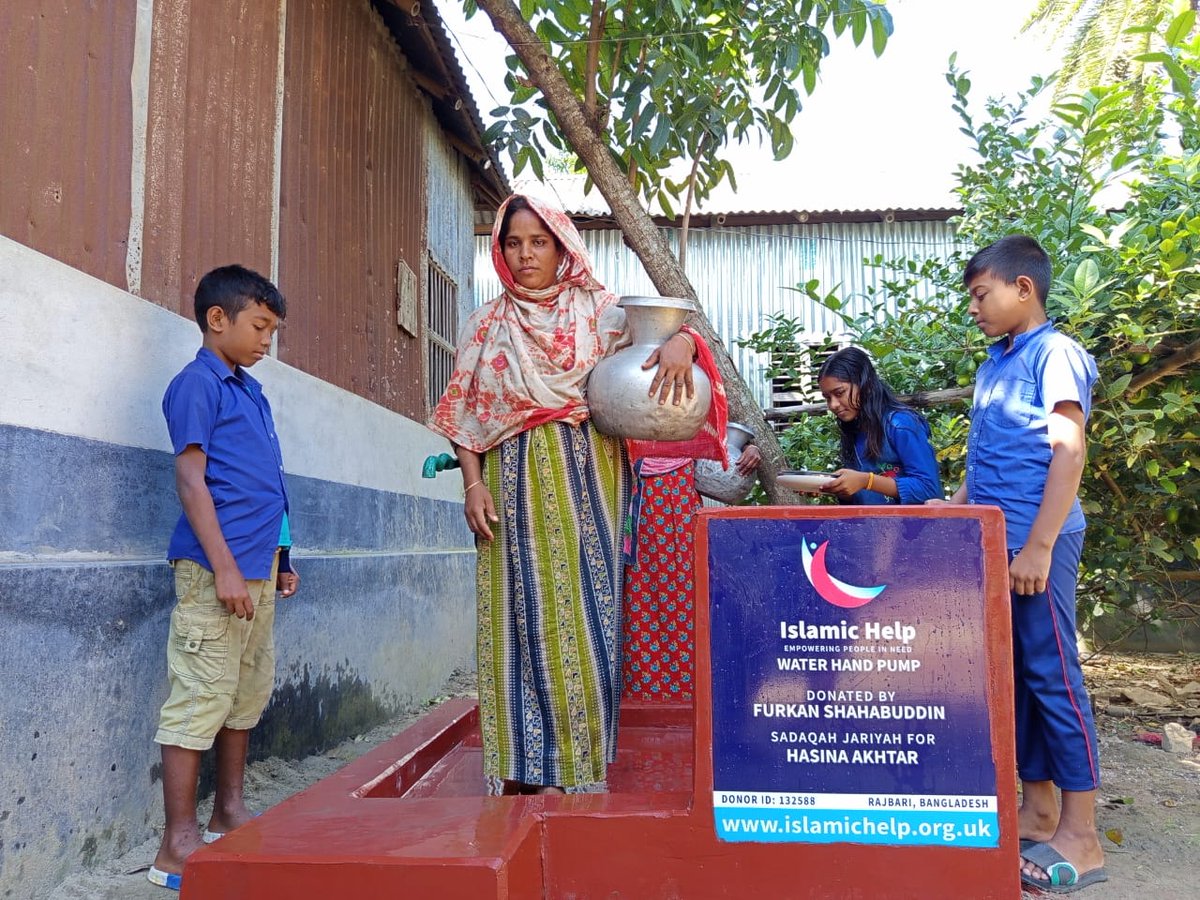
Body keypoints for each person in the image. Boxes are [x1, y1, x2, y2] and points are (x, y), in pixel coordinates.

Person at [429, 193, 696, 794]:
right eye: (513, 244)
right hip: (506, 481)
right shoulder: (486, 323)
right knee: (514, 616)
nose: (525, 255)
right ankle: (523, 768)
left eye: (538, 242)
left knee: (583, 612)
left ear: (561, 245)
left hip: (588, 478)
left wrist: (682, 344)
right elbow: (464, 413)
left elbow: (665, 337)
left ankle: (578, 765)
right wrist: (471, 484)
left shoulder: (601, 313)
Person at [931, 235, 1105, 893]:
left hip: (1042, 542)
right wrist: (954, 509)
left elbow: (1068, 452)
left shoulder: (1054, 354)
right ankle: (1040, 809)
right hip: (997, 543)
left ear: (1022, 289)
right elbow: (989, 457)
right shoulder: (995, 364)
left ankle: (1083, 837)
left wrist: (1037, 545)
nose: (973, 308)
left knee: (1055, 675)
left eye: (981, 295)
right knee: (1022, 681)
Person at [150, 265, 299, 891]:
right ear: (219, 319)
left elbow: (270, 483)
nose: (268, 340)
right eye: (260, 326)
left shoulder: (250, 391)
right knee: (200, 694)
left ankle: (227, 811)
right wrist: (226, 569)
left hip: (258, 567)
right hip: (216, 571)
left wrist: (281, 558)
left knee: (244, 691)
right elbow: (192, 481)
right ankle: (176, 844)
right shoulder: (197, 385)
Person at [621, 441, 761, 702]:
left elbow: (727, 435)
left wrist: (750, 446)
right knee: (640, 607)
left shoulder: (690, 421)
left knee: (690, 605)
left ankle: (696, 700)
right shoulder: (623, 426)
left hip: (682, 519)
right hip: (635, 519)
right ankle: (646, 701)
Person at [816, 346, 942, 504]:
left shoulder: (900, 424)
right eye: (827, 397)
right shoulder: (855, 428)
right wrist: (835, 488)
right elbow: (865, 496)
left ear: (865, 384)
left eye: (840, 393)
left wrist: (867, 481)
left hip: (911, 527)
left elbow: (929, 490)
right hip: (872, 527)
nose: (833, 405)